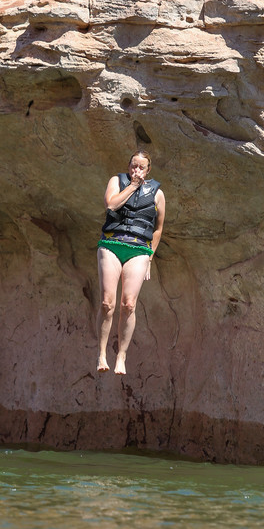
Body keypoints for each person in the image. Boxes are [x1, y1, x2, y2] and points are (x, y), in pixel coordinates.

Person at [96, 151, 166, 375]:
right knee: (107, 303)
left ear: (148, 170)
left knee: (128, 304)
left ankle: (122, 355)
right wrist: (133, 186)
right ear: (129, 166)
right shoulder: (117, 182)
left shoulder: (158, 194)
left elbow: (158, 229)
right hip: (112, 244)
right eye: (133, 166)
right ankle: (101, 354)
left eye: (141, 167)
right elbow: (111, 204)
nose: (136, 170)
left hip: (139, 250)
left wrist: (150, 258)